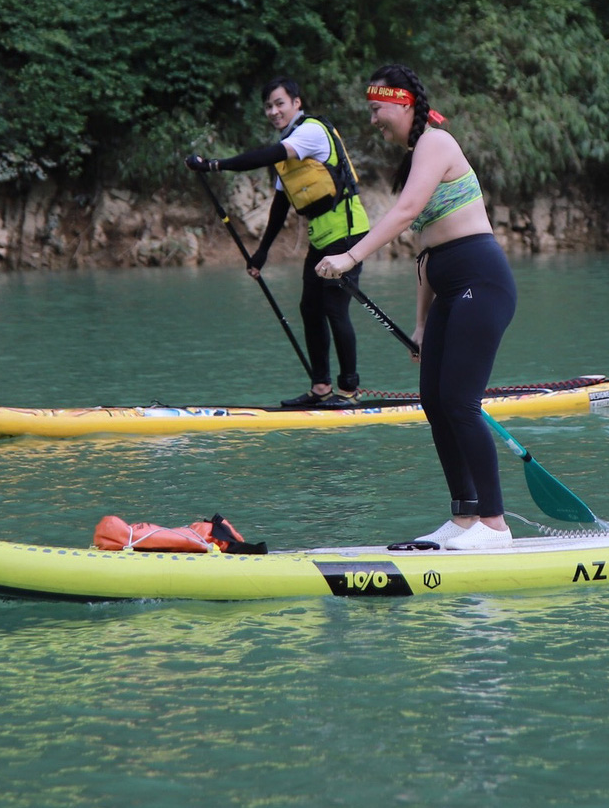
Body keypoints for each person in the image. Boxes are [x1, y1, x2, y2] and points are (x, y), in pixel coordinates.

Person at [314, 65, 514, 551]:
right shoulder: (415, 158)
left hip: (482, 282)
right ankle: (465, 518)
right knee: (433, 399)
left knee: (461, 403)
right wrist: (422, 324)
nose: (374, 120)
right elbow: (424, 252)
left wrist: (350, 256)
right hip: (449, 289)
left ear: (402, 103)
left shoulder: (437, 143)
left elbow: (404, 215)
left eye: (377, 109)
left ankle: (496, 525)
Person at [187, 77, 369, 406]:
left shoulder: (309, 133)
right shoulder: (288, 149)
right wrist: (261, 254)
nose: (273, 111)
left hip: (348, 232)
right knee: (310, 308)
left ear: (296, 103)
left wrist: (215, 165)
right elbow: (280, 205)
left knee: (334, 308)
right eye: (268, 106)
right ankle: (321, 389)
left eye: (279, 103)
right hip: (322, 236)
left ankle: (349, 391)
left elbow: (265, 155)